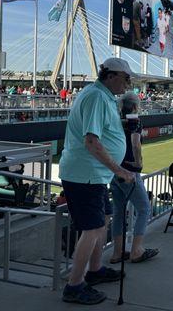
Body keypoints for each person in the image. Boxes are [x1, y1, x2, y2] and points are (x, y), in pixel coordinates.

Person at [59, 58, 136, 305]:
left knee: (101, 222)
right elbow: (91, 142)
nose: (128, 85)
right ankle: (74, 285)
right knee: (91, 229)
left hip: (94, 175)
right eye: (126, 79)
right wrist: (120, 171)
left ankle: (94, 270)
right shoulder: (96, 97)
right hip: (85, 175)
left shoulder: (102, 96)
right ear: (111, 76)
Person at [109, 92, 158, 264]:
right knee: (144, 209)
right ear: (135, 107)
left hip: (113, 170)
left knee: (118, 212)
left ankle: (117, 253)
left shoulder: (114, 120)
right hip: (128, 171)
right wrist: (139, 163)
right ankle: (136, 250)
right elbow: (136, 143)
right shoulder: (134, 120)